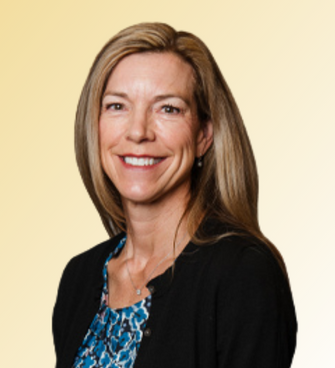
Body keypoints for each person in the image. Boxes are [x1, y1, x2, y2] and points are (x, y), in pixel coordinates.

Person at [53, 22, 297, 368]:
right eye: (117, 106)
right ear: (94, 126)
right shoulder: (81, 277)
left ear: (203, 135)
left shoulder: (243, 274)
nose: (138, 131)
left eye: (168, 108)